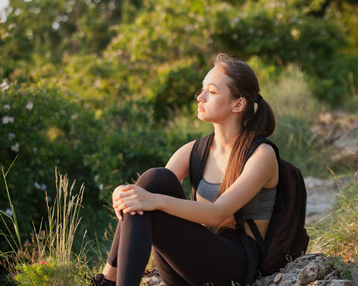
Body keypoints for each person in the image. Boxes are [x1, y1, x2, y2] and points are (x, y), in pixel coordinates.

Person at [89, 53, 279, 286]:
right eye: (202, 89)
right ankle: (108, 281)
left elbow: (219, 213)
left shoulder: (261, 155)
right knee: (155, 178)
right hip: (190, 261)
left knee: (150, 198)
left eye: (212, 91)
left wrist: (154, 201)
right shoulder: (194, 150)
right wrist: (123, 192)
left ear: (238, 104)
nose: (200, 97)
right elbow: (147, 191)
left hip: (234, 265)